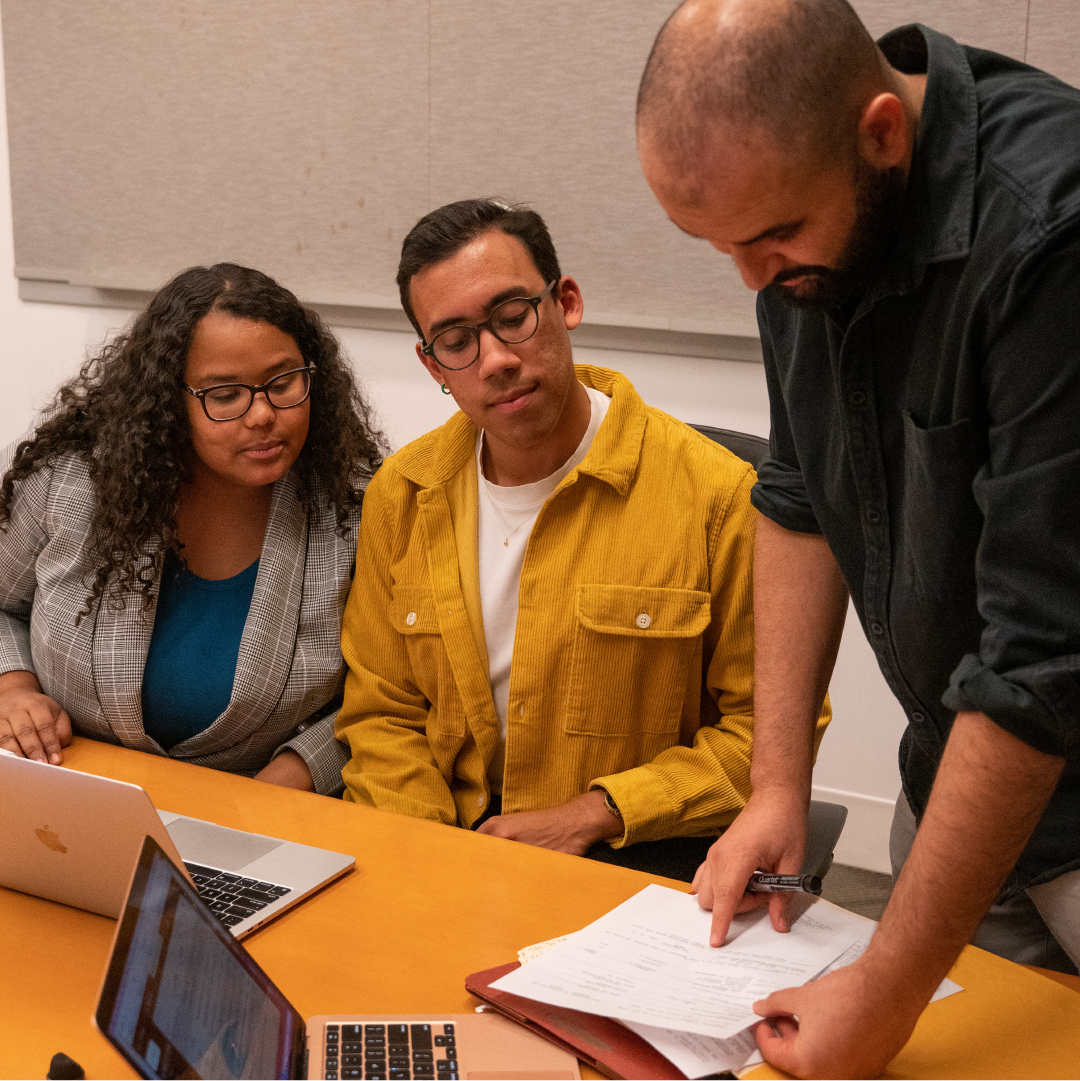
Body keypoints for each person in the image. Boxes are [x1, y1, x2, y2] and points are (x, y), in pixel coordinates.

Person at [636, 0, 1080, 1075]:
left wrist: (885, 991)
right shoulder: (799, 214)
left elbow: (1041, 663)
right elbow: (796, 494)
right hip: (964, 794)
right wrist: (778, 783)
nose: (752, 278)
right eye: (719, 245)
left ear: (883, 133)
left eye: (772, 238)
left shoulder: (1052, 237)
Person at [335, 199, 828, 871]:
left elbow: (769, 736)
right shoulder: (402, 493)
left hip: (635, 852)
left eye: (513, 317)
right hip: (450, 844)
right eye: (457, 342)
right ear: (433, 366)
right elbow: (381, 714)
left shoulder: (718, 495)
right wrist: (432, 855)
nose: (496, 359)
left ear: (565, 302)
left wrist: (593, 814)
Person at [0, 263, 386, 795]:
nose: (262, 415)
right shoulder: (74, 481)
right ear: (167, 403)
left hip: (266, 812)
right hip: (68, 792)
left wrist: (291, 780)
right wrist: (12, 688)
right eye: (224, 395)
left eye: (283, 382)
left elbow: (386, 696)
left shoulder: (360, 507)